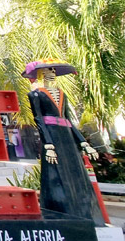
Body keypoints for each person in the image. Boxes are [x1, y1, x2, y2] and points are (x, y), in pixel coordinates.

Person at [25, 60, 103, 226]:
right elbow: (39, 120)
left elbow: (68, 119)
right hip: (52, 137)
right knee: (56, 174)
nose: (51, 72)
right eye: (48, 69)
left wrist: (83, 142)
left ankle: (86, 213)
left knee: (77, 172)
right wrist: (48, 145)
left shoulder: (62, 94)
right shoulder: (35, 95)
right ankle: (61, 210)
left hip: (67, 137)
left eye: (53, 69)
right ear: (40, 73)